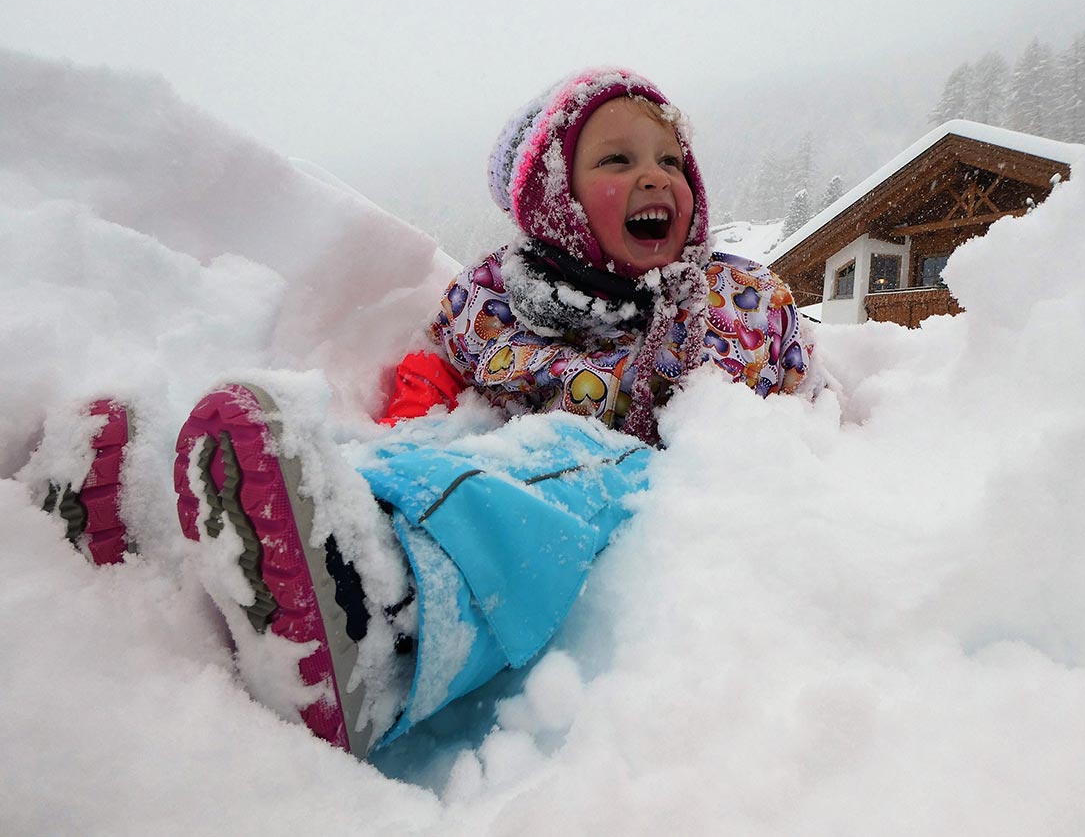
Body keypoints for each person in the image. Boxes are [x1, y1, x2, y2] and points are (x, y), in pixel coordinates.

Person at [37, 67, 822, 761]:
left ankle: (374, 619)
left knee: (562, 474)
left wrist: (787, 446)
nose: (657, 177)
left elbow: (798, 397)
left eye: (671, 160)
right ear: (555, 199)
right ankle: (169, 539)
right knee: (399, 461)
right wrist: (413, 419)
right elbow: (443, 370)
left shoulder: (732, 297)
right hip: (487, 451)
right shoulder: (502, 299)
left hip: (629, 484)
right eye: (618, 160)